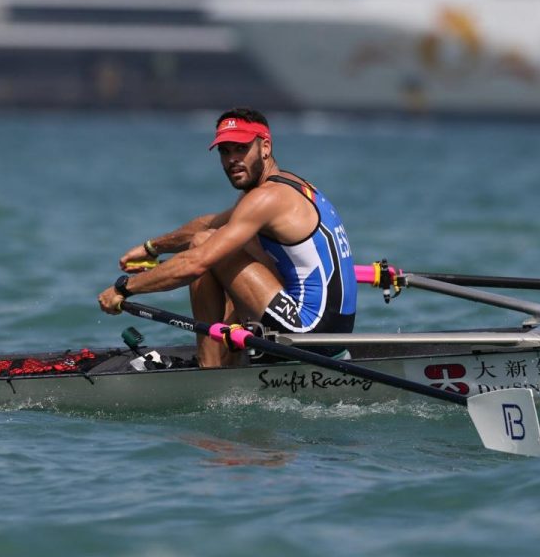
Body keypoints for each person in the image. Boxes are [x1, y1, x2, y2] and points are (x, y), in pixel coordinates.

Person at [97, 108, 356, 367]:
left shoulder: (265, 199)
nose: (232, 159)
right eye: (225, 151)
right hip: (334, 333)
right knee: (223, 241)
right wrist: (153, 247)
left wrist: (124, 288)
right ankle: (231, 361)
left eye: (241, 149)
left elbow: (195, 262)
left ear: (265, 147)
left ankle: (210, 368)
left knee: (206, 246)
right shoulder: (286, 186)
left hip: (311, 336)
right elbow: (209, 223)